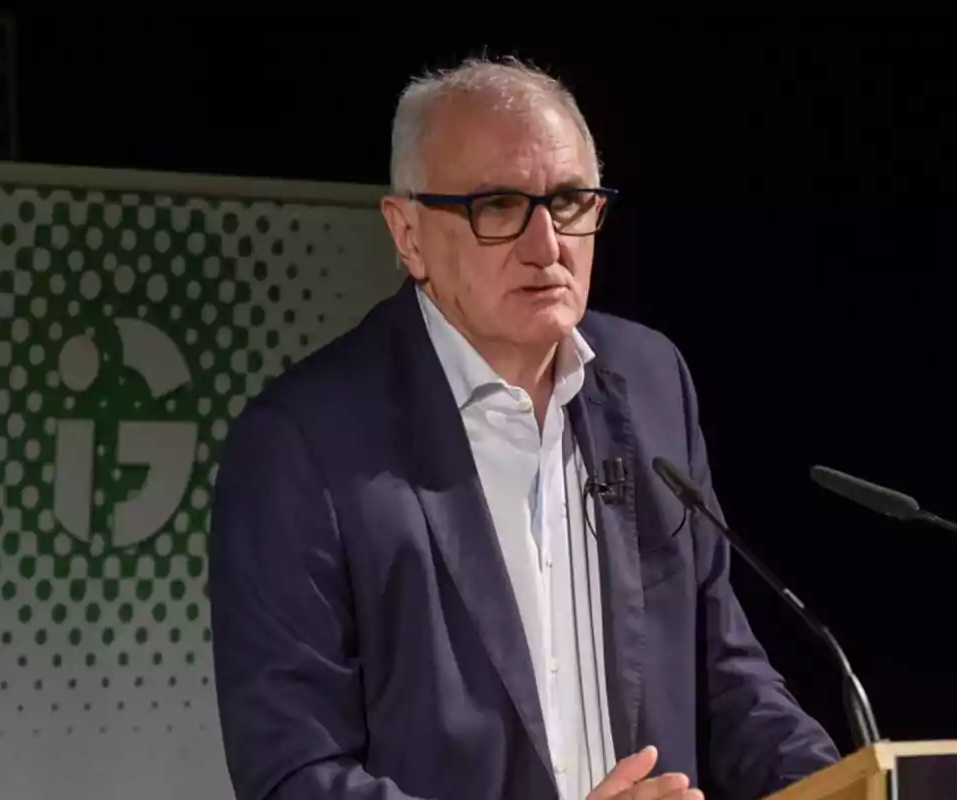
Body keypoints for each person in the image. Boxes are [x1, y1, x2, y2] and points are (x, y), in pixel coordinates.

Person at [208, 55, 840, 800]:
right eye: (499, 207)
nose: (547, 246)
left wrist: (843, 785)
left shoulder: (650, 381)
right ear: (406, 233)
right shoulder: (301, 444)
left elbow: (727, 678)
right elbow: (293, 775)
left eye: (571, 200)